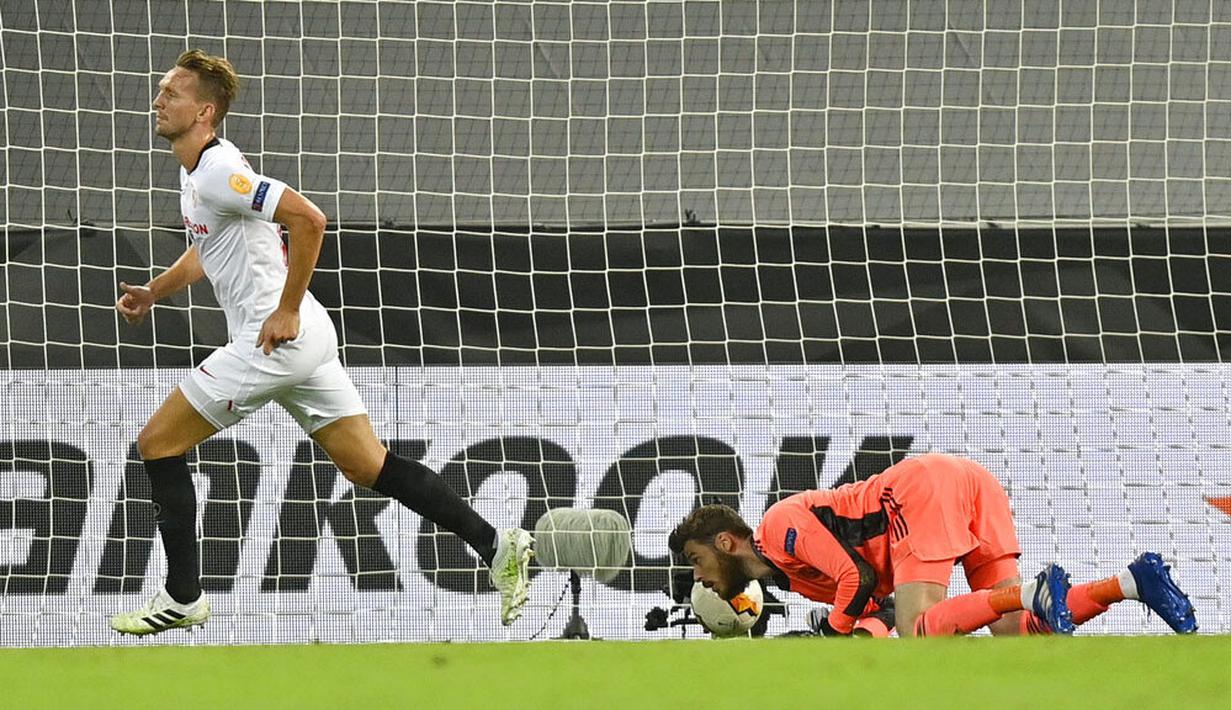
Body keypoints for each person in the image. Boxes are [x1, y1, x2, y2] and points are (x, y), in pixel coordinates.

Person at [110, 50, 533, 635]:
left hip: (276, 337)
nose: (158, 100)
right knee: (368, 465)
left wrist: (284, 309)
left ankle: (183, 596)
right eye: (160, 90)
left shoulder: (215, 170)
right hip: (297, 337)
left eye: (172, 93)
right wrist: (156, 290)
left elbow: (310, 220)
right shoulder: (197, 174)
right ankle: (496, 545)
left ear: (205, 111)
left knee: (156, 444)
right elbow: (207, 248)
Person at [669, 453, 1197, 637]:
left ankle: (1032, 590)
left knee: (921, 632)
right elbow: (875, 607)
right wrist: (857, 638)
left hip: (920, 489)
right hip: (968, 484)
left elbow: (861, 580)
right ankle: (1131, 582)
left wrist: (832, 634)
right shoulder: (796, 580)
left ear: (726, 541)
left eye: (697, 561)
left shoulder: (781, 524)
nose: (700, 578)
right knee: (1020, 636)